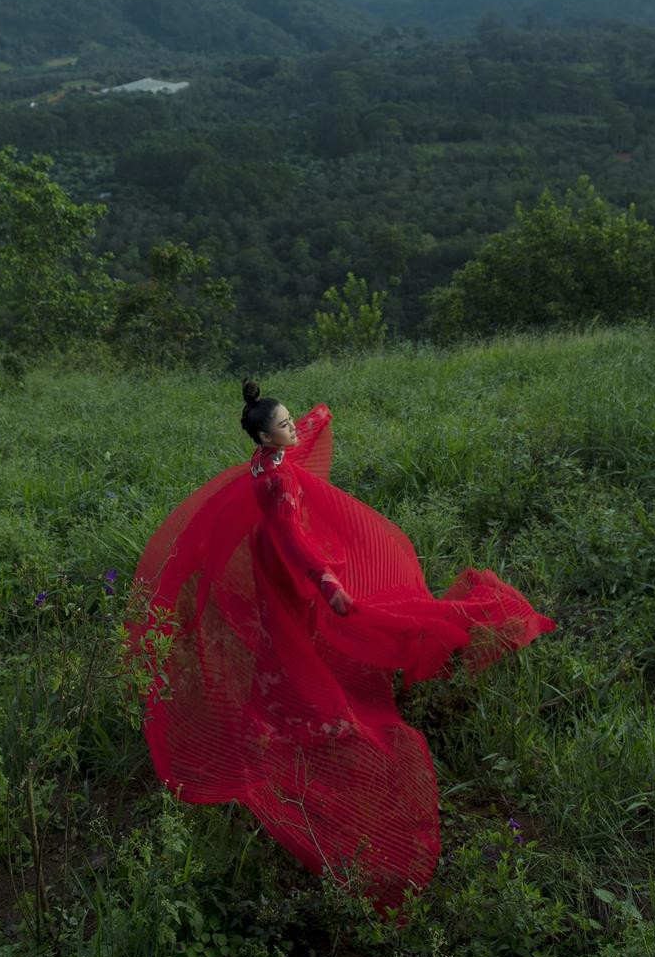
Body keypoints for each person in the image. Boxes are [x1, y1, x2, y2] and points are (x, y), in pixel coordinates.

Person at [124, 385, 557, 914]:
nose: (289, 428)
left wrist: (315, 418)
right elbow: (291, 536)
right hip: (291, 565)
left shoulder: (264, 460)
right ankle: (312, 706)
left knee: (294, 634)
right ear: (263, 437)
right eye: (282, 424)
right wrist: (326, 581)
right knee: (319, 628)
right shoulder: (277, 480)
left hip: (277, 562)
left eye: (288, 421)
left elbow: (297, 446)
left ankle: (297, 672)